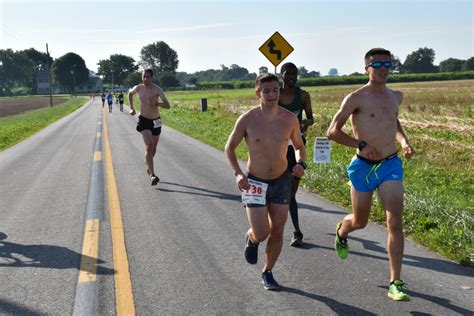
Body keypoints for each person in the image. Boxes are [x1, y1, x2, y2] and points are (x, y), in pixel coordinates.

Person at [326, 48, 414, 301]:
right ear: (367, 68)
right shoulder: (356, 98)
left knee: (395, 221)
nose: (384, 68)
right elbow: (333, 131)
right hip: (363, 167)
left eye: (388, 64)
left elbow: (393, 122)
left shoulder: (396, 96)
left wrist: (404, 141)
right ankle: (343, 231)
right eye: (377, 64)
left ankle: (395, 282)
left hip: (390, 164)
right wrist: (360, 145)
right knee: (360, 221)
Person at [224, 73, 307, 290]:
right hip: (254, 182)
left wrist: (300, 164)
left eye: (275, 90)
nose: (272, 94)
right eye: (266, 90)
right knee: (262, 232)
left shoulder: (289, 118)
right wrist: (238, 173)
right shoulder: (248, 119)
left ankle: (267, 271)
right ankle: (252, 239)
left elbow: (299, 146)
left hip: (281, 180)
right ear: (258, 93)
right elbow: (229, 148)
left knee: (278, 229)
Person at [278, 62, 314, 247]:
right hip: (277, 147)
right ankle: (293, 231)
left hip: (297, 145)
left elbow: (311, 118)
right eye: (288, 73)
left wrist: (304, 124)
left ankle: (296, 231)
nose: (291, 76)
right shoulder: (275, 94)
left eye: (294, 74)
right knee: (282, 192)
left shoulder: (304, 95)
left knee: (291, 193)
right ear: (282, 75)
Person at [128, 69, 170, 186]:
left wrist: (156, 103)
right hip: (144, 120)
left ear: (152, 78)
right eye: (144, 77)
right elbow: (130, 94)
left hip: (156, 120)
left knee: (154, 148)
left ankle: (148, 164)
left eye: (148, 77)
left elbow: (168, 105)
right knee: (149, 145)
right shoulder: (139, 88)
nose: (145, 79)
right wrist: (131, 108)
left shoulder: (157, 89)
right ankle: (152, 175)